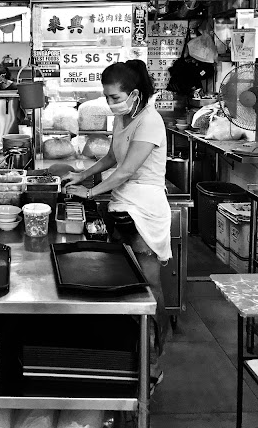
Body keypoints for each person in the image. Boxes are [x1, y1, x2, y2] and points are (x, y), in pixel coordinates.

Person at [63, 59, 171, 392]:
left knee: (149, 288)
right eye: (106, 97)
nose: (110, 104)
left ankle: (154, 362)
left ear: (135, 93)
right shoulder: (125, 118)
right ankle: (130, 357)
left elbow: (126, 170)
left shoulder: (150, 122)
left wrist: (89, 191)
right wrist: (82, 174)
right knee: (129, 285)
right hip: (122, 206)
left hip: (144, 210)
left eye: (114, 97)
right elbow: (112, 157)